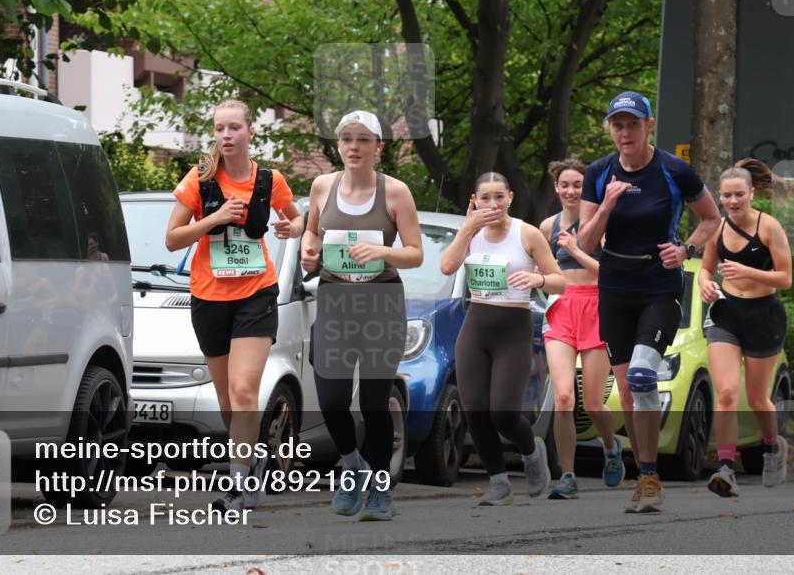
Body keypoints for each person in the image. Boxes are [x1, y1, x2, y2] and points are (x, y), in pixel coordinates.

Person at [578, 91, 720, 513]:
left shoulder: (674, 170)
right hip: (615, 288)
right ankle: (645, 476)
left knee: (641, 376)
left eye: (633, 124)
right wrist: (607, 205)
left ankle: (650, 477)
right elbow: (584, 240)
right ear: (610, 128)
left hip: (659, 286)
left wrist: (687, 250)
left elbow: (711, 218)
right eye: (617, 125)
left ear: (649, 126)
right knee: (624, 387)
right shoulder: (599, 173)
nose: (624, 132)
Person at [165, 99, 304, 514]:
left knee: (245, 391)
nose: (226, 136)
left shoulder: (269, 180)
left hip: (257, 294)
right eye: (219, 129)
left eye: (234, 128)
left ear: (250, 132)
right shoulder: (200, 179)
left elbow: (298, 221)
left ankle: (238, 484)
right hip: (209, 297)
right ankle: (253, 455)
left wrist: (289, 226)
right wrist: (216, 217)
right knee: (228, 401)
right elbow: (173, 239)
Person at [302, 110, 423, 521]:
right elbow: (312, 232)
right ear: (338, 145)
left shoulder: (396, 192)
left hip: (381, 302)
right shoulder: (322, 186)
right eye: (347, 139)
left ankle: (381, 492)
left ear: (378, 148)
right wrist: (308, 248)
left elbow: (415, 252)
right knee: (332, 399)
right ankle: (353, 466)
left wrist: (382, 252)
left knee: (374, 402)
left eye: (364, 139)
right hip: (335, 299)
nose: (354, 146)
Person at [440, 172, 566, 506]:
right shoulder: (471, 233)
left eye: (499, 197)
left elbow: (559, 281)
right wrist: (466, 228)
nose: (493, 204)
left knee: (503, 412)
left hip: (513, 325)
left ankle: (530, 451)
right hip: (476, 323)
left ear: (510, 197)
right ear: (475, 201)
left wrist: (537, 278)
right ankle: (498, 481)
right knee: (475, 408)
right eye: (485, 198)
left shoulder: (527, 233)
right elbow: (447, 266)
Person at [700, 158, 792, 497]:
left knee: (756, 398)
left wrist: (749, 272)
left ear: (752, 193)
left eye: (739, 194)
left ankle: (773, 446)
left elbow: (786, 278)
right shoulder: (717, 230)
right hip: (726, 314)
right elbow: (707, 270)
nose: (733, 201)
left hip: (763, 316)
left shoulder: (769, 227)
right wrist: (705, 285)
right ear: (719, 197)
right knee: (725, 394)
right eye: (726, 196)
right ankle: (726, 467)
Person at [538, 159, 624, 499]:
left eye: (578, 185)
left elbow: (611, 274)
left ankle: (610, 445)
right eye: (566, 185)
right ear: (556, 188)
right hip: (561, 308)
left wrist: (575, 250)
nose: (572, 191)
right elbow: (543, 271)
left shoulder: (602, 223)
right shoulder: (547, 226)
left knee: (592, 403)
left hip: (597, 307)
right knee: (562, 398)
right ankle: (568, 476)